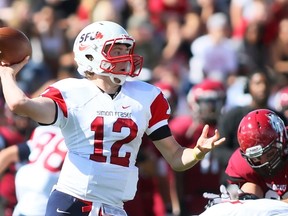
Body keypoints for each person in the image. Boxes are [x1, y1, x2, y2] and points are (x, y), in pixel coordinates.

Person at [0, 21, 225, 216]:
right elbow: (19, 104)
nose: (125, 57)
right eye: (116, 51)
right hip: (71, 203)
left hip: (114, 207)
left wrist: (197, 152)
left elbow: (176, 158)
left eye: (126, 49)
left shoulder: (146, 96)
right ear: (90, 55)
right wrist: (6, 73)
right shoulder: (71, 92)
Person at [169, 79, 226, 215]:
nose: (211, 107)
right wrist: (177, 204)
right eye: (206, 102)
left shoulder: (226, 128)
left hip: (222, 197)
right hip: (192, 198)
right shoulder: (184, 130)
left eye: (215, 102)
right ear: (195, 103)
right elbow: (174, 173)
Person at [0, 125, 66, 216]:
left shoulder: (43, 130)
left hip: (26, 176)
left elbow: (7, 154)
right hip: (46, 188)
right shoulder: (81, 140)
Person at [225, 109, 288, 201]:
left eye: (270, 154)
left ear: (283, 141)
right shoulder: (241, 164)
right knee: (249, 189)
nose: (264, 162)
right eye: (256, 157)